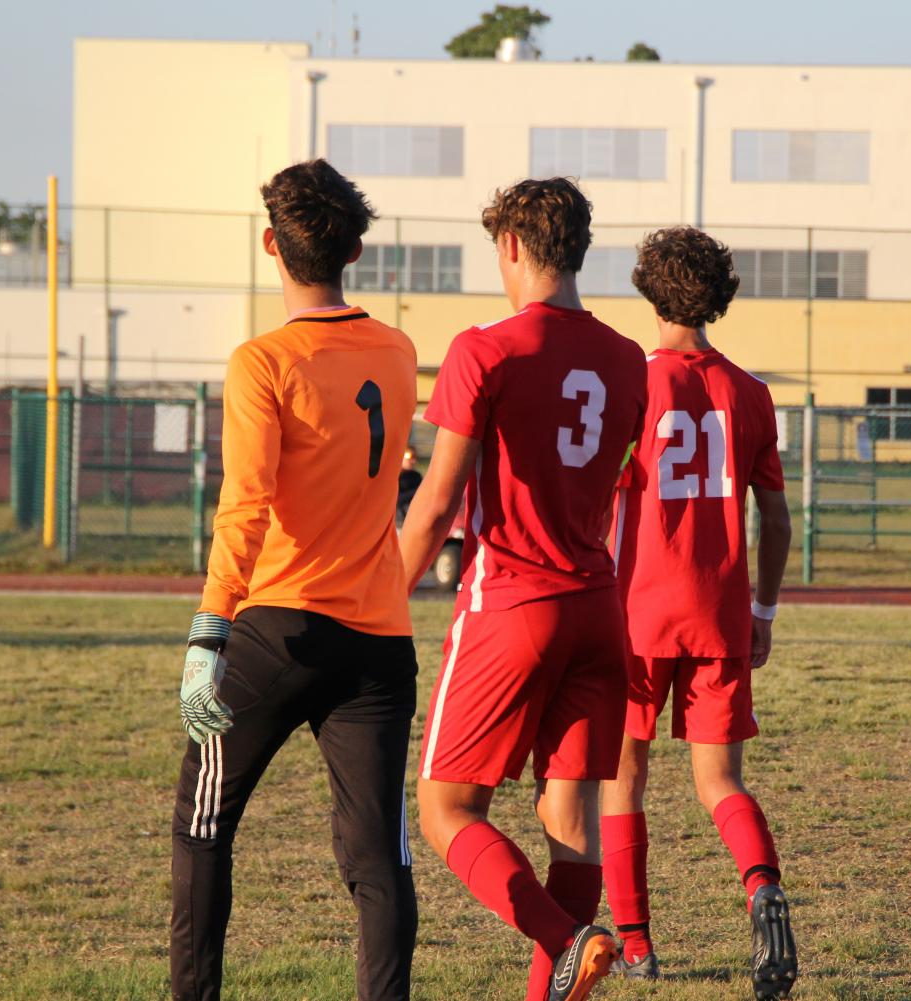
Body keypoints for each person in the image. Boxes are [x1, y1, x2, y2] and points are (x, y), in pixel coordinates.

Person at [170, 160, 420, 1001]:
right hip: (381, 641)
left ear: (270, 245)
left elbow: (245, 503)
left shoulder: (262, 360)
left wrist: (210, 628)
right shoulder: (397, 348)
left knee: (202, 827)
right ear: (353, 251)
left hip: (279, 628)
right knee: (375, 857)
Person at [398, 177, 648, 1001]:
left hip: (511, 602)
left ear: (511, 246)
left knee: (445, 811)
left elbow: (436, 503)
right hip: (597, 607)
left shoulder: (485, 347)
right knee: (569, 826)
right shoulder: (625, 358)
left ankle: (568, 936)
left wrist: (379, 596)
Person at [598, 228, 798, 998]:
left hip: (635, 611)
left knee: (623, 776)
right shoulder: (749, 391)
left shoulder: (629, 383)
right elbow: (775, 520)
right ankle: (759, 884)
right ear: (720, 296)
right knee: (718, 779)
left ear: (649, 292)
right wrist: (765, 610)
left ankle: (639, 943)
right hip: (718, 612)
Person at [396, 446, 423, 524]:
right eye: (409, 457)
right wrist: (417, 491)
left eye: (415, 457)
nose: (413, 461)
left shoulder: (416, 476)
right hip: (398, 520)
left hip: (413, 519)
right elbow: (396, 500)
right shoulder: (394, 477)